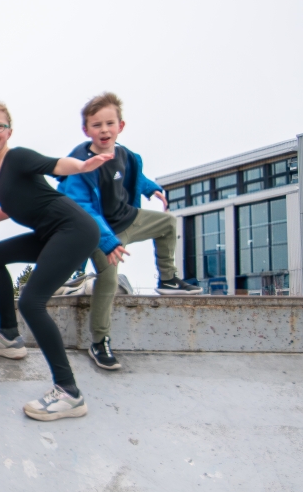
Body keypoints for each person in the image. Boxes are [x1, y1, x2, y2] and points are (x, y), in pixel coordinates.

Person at [0, 101, 110, 421]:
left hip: (73, 229)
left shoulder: (17, 157)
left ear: (9, 132)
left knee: (32, 301)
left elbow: (55, 164)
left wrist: (82, 167)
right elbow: (10, 207)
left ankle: (69, 392)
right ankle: (7, 335)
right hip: (51, 233)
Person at [58, 92, 202, 371]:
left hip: (128, 220)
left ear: (120, 126)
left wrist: (152, 188)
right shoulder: (78, 164)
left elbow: (133, 176)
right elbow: (83, 207)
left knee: (167, 224)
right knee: (109, 279)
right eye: (97, 125)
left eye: (109, 124)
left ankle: (168, 279)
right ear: (86, 130)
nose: (104, 130)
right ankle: (99, 341)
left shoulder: (125, 155)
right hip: (98, 233)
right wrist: (109, 240)